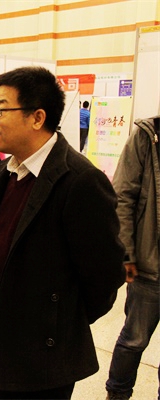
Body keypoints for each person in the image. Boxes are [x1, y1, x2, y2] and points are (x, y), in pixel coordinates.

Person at [0, 66, 125, 399]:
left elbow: (105, 275)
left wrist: (57, 324)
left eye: (1, 110)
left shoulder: (80, 181)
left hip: (42, 357)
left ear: (37, 118)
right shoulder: (3, 172)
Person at [105, 116, 160, 400]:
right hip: (151, 265)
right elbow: (123, 196)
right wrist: (126, 253)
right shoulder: (147, 136)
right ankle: (117, 395)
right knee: (134, 340)